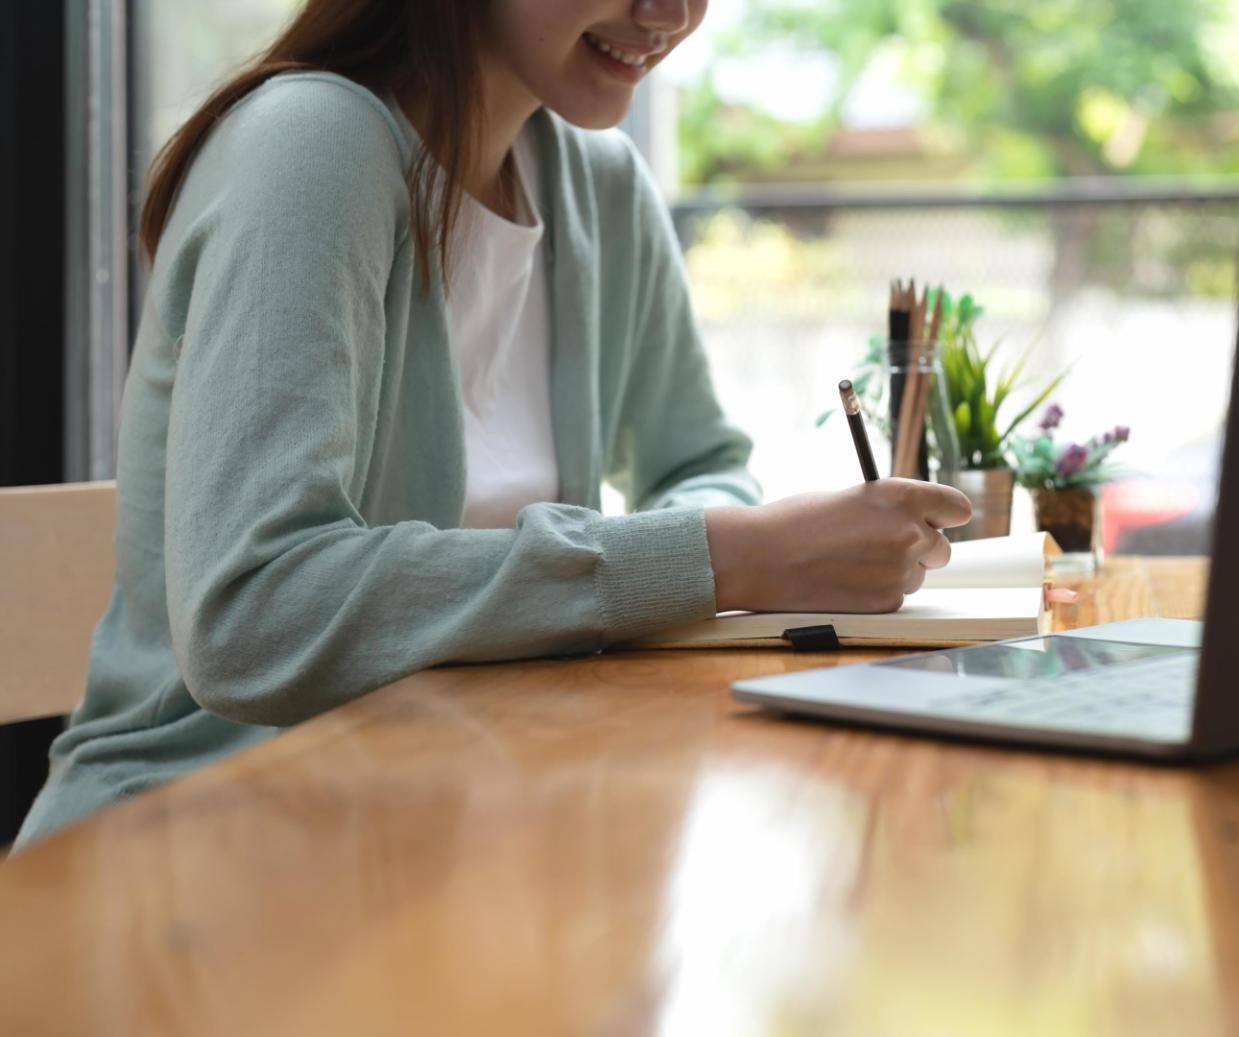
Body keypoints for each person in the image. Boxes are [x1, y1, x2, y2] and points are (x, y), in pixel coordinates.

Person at [15, 0, 972, 847]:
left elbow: (701, 463)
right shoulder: (311, 145)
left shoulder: (597, 184)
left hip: (459, 808)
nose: (672, 11)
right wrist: (723, 557)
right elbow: (253, 614)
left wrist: (731, 539)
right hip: (202, 840)